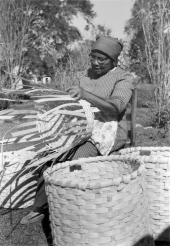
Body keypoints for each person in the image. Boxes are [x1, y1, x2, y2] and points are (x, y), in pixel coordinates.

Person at [20, 36, 134, 225]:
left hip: (109, 132)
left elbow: (117, 108)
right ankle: (41, 206)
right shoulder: (86, 75)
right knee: (50, 154)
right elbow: (77, 104)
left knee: (73, 159)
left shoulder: (122, 77)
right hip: (82, 128)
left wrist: (85, 94)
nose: (95, 63)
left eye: (101, 59)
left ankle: (70, 207)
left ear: (114, 60)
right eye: (93, 57)